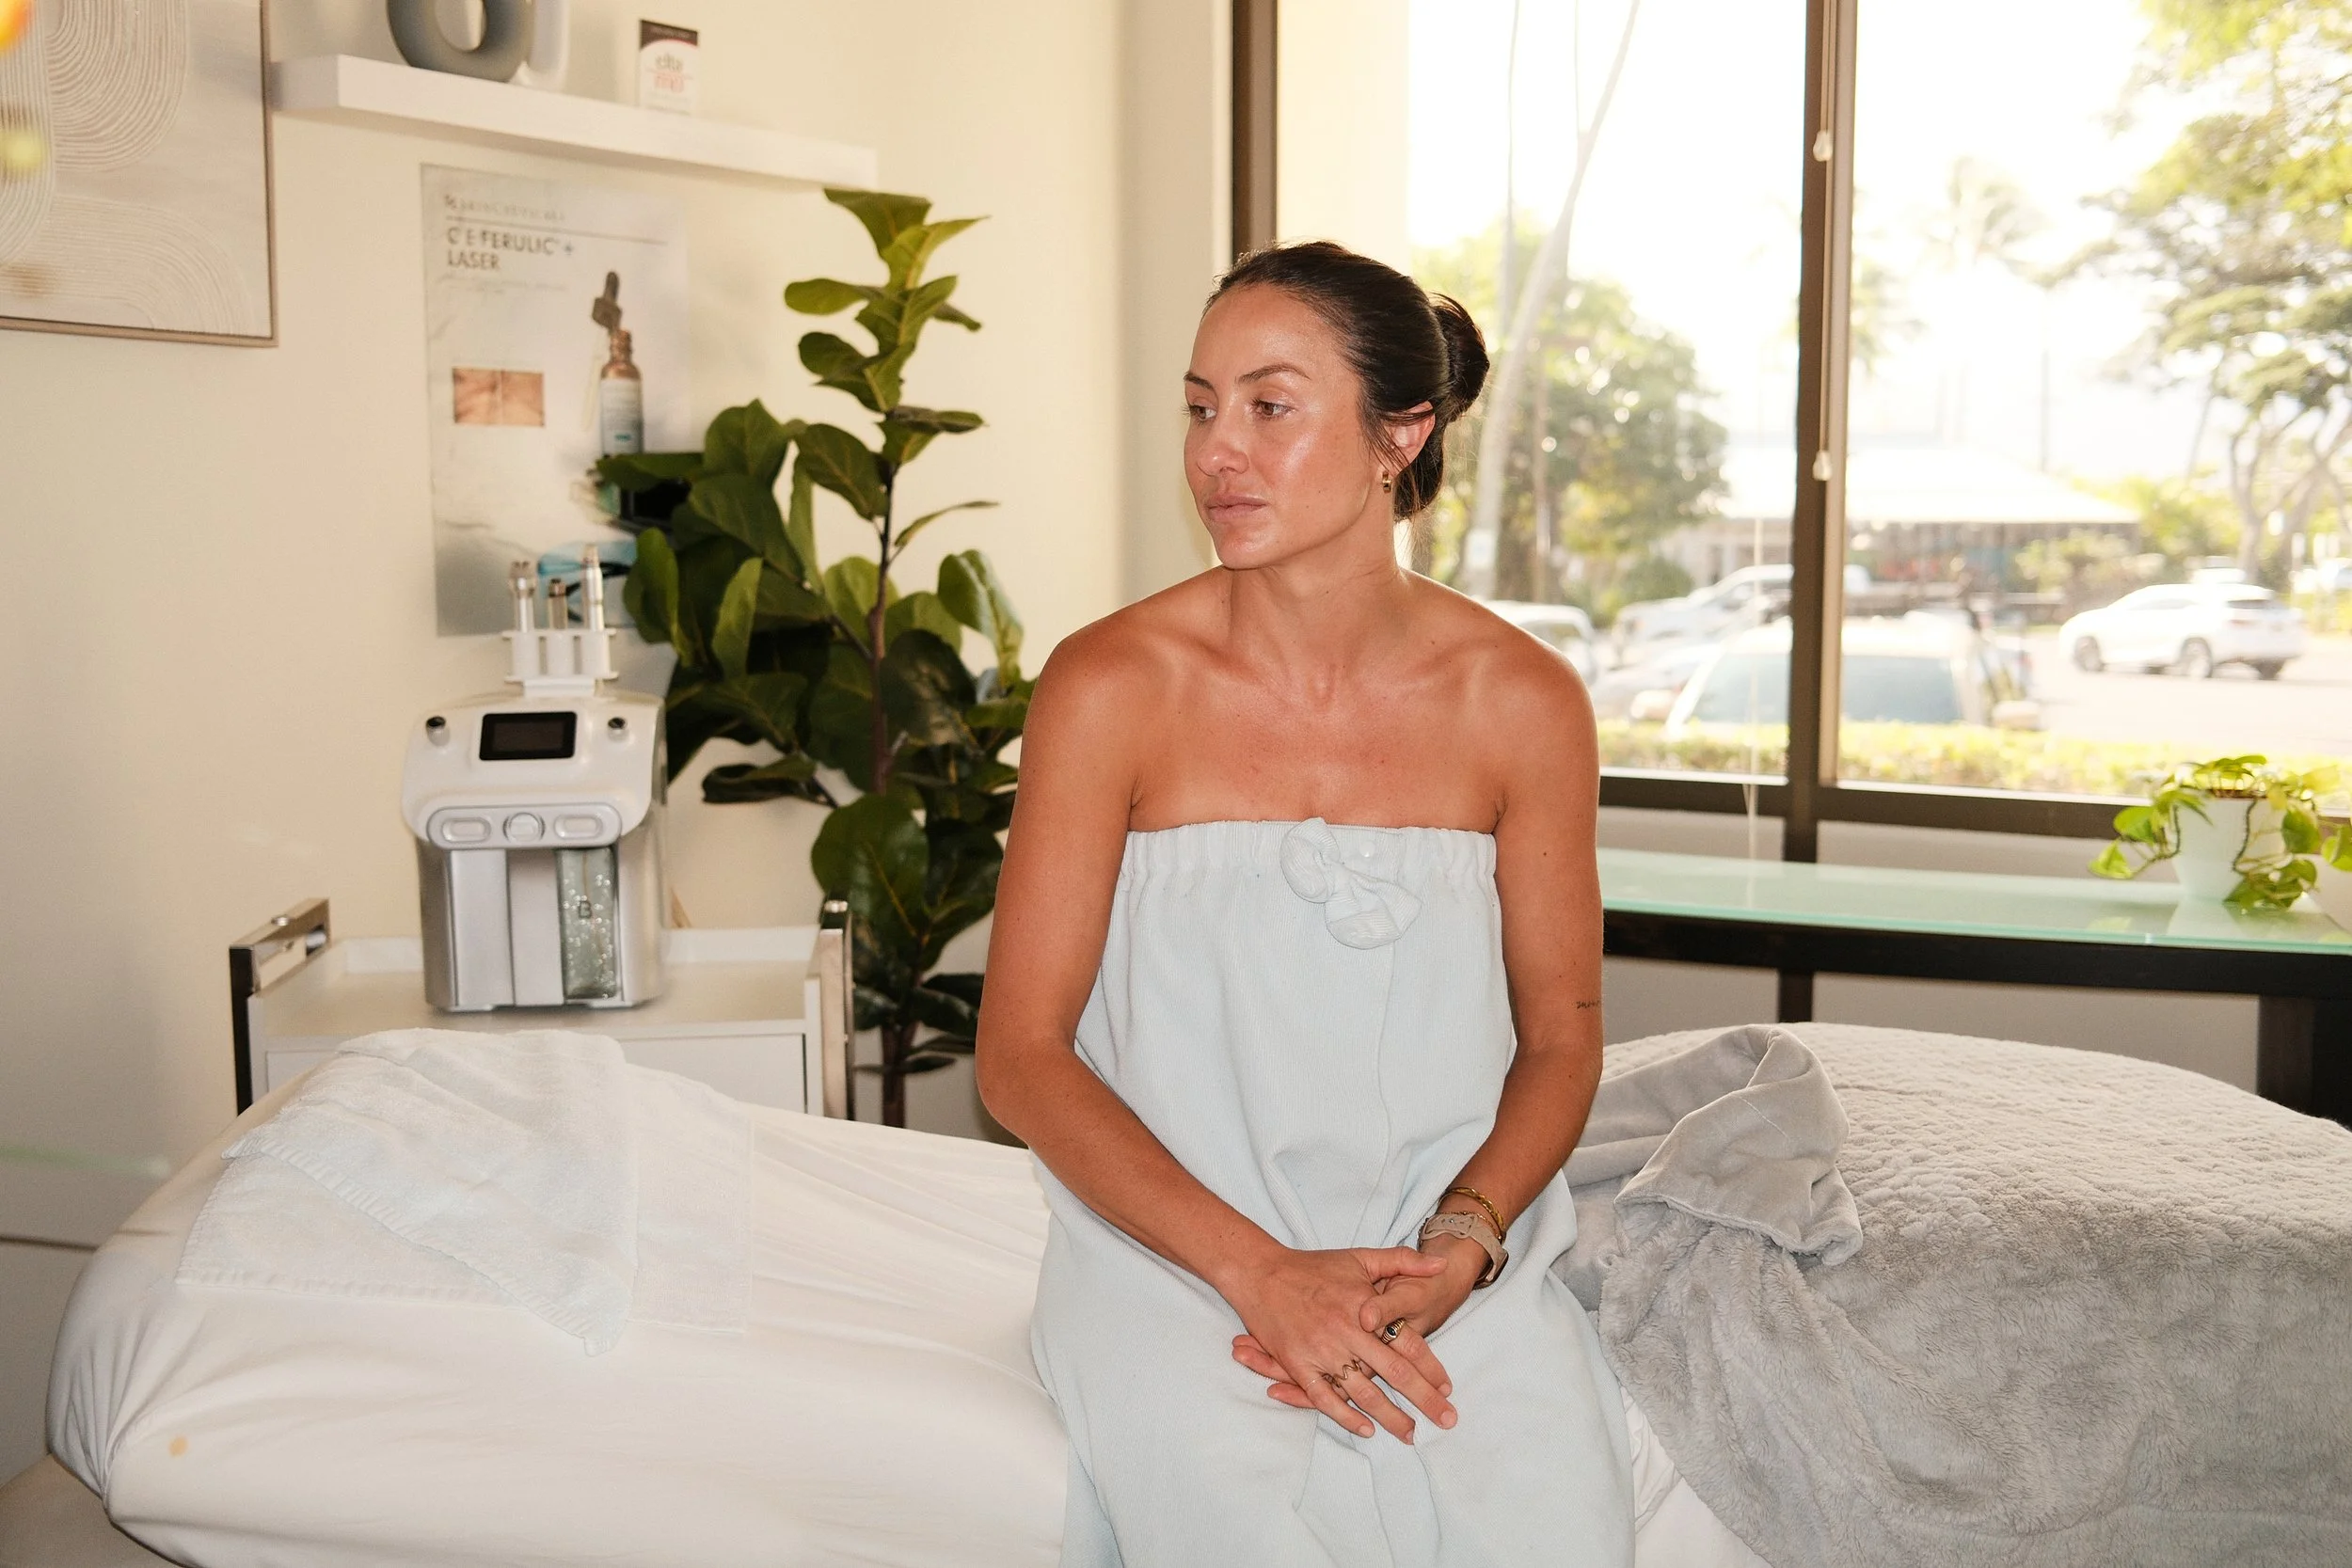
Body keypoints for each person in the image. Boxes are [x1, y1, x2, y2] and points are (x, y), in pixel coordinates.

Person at [976, 241, 1633, 1568]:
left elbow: (1562, 1041)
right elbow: (1022, 1053)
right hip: (1172, 1256)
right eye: (1202, 405)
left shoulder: (1524, 702)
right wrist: (1258, 1273)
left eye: (1271, 407)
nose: (1219, 450)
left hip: (1441, 1262)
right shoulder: (1112, 685)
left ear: (1404, 431)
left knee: (1547, 1526)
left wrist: (1464, 1245)